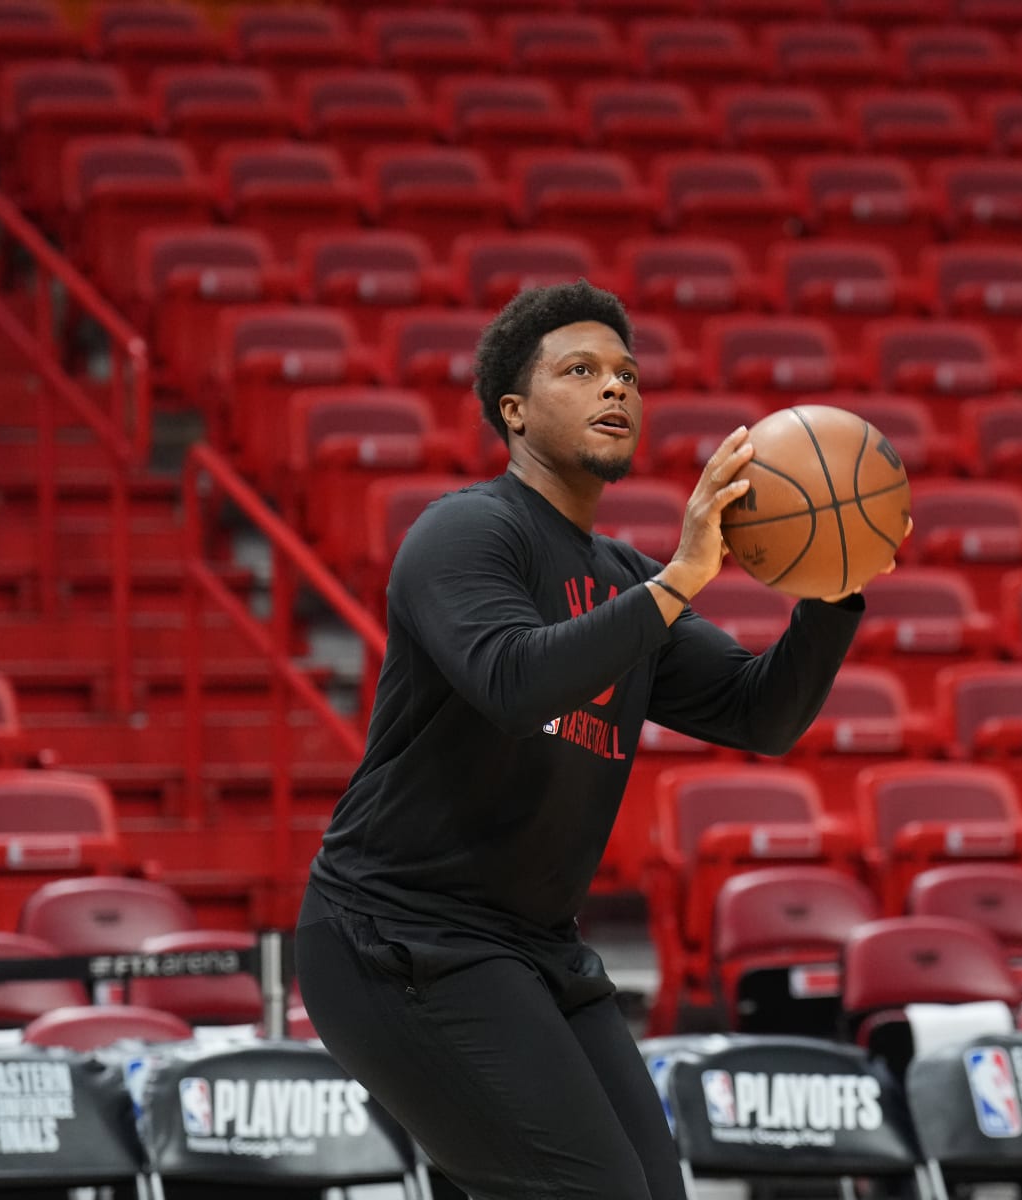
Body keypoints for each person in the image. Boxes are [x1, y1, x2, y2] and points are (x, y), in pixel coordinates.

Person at [295, 280, 892, 1199]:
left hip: (531, 945)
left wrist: (833, 582)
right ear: (516, 412)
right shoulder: (464, 533)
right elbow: (513, 679)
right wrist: (681, 580)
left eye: (627, 374)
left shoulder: (619, 574)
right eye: (581, 371)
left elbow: (758, 713)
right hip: (396, 936)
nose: (616, 388)